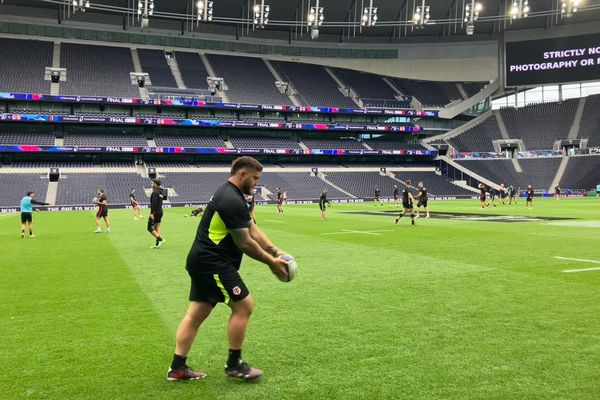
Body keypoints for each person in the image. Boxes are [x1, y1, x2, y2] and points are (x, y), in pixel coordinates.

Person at [167, 156, 290, 382]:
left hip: (204, 261)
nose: (256, 183)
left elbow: (252, 228)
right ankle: (234, 364)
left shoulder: (233, 195)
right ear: (242, 174)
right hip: (212, 262)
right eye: (255, 178)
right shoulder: (230, 199)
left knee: (196, 314)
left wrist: (275, 251)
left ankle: (177, 368)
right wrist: (272, 263)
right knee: (244, 305)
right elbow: (244, 242)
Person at [148, 179, 166, 248]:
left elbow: (154, 204)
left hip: (155, 212)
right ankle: (157, 244)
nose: (151, 184)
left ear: (155, 184)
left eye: (152, 183)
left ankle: (160, 239)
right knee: (156, 227)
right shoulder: (160, 191)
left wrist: (152, 213)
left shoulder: (155, 192)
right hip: (160, 211)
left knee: (149, 227)